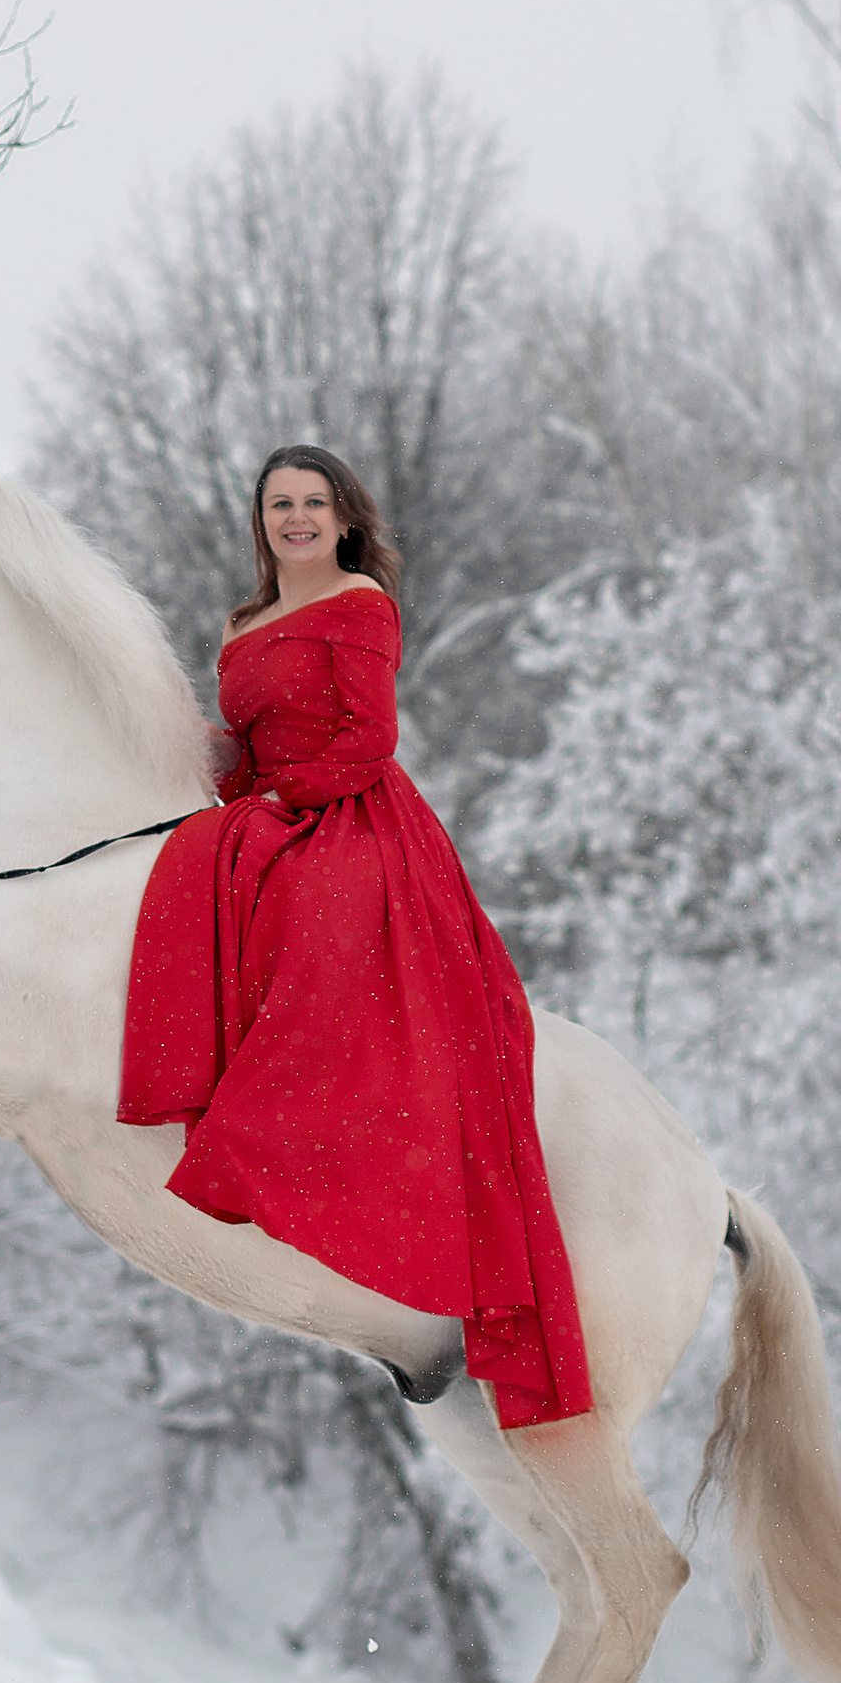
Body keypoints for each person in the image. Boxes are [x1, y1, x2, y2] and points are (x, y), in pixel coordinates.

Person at [118, 445, 592, 1430]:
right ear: (261, 521)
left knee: (313, 923)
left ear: (342, 520)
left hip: (353, 820)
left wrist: (289, 800)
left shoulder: (361, 604)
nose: (295, 518)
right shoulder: (243, 624)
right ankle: (203, 1088)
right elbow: (237, 753)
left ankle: (283, 1126)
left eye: (312, 504)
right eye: (278, 504)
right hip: (270, 806)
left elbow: (368, 739)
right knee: (188, 863)